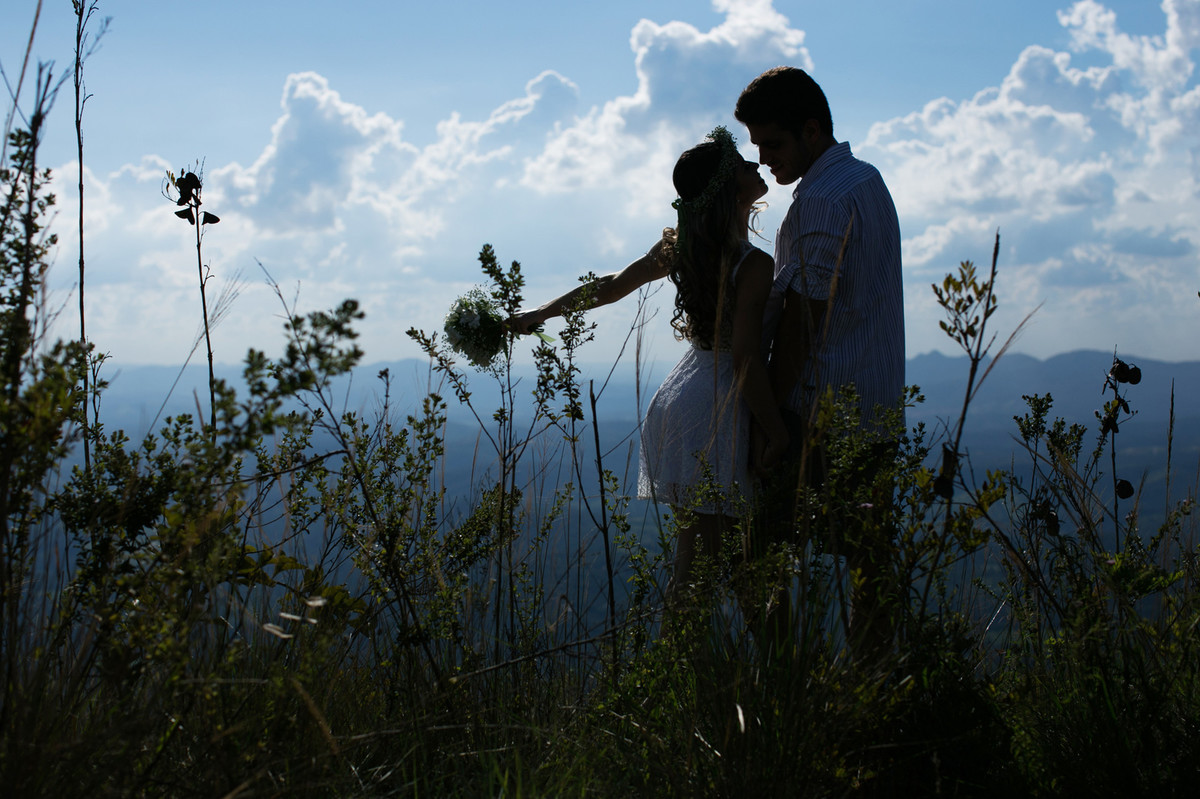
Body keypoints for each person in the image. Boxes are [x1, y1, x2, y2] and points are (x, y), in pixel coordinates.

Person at [508, 127, 789, 605]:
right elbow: (744, 358)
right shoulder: (753, 264)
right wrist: (777, 432)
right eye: (742, 165)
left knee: (720, 564)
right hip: (720, 409)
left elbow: (611, 286)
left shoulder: (685, 249)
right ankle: (699, 649)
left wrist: (542, 312)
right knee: (711, 572)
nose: (755, 165)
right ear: (728, 189)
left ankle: (722, 651)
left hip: (684, 396)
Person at [734, 66, 905, 653]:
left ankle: (789, 685)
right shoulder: (866, 180)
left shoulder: (823, 200)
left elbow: (803, 323)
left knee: (759, 558)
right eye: (758, 147)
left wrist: (772, 422)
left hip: (819, 415)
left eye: (773, 144)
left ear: (811, 130)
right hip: (875, 407)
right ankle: (876, 689)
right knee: (870, 568)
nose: (764, 161)